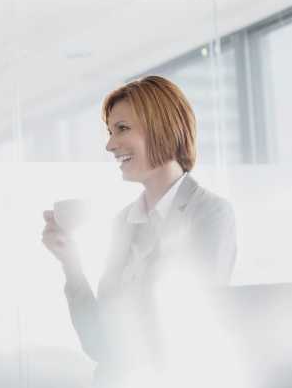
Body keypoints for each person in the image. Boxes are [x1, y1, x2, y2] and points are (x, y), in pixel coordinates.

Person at [41, 75, 237, 387]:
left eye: (122, 129)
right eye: (110, 131)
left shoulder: (209, 213)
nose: (109, 144)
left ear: (162, 128)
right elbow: (99, 344)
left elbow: (190, 328)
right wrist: (71, 264)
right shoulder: (124, 223)